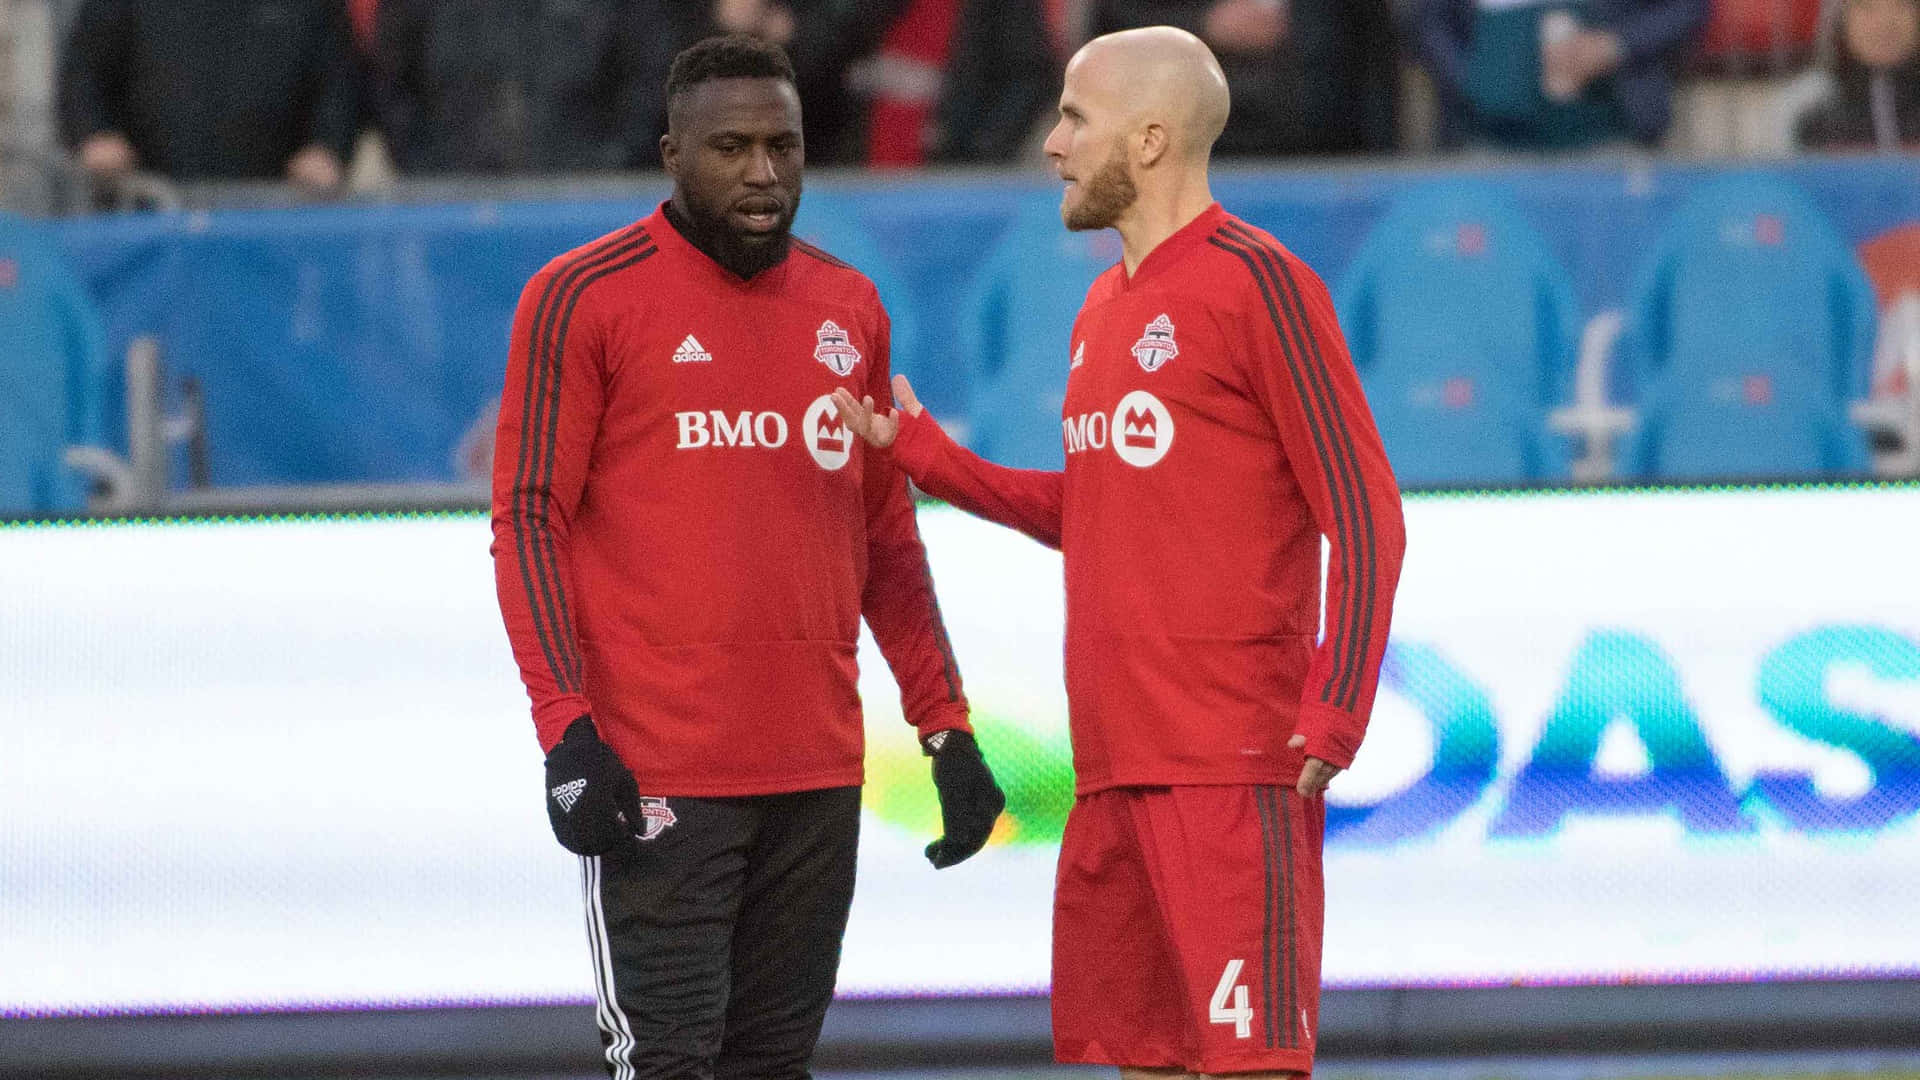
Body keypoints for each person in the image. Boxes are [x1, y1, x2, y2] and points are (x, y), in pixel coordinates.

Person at [835, 26, 1405, 1078]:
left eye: (1073, 118)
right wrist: (929, 460)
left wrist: (1338, 704)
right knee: (1135, 1062)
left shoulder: (1258, 284)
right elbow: (1101, 508)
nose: (1051, 144)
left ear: (1148, 140)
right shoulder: (1102, 307)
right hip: (1112, 773)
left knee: (1248, 1067)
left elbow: (1366, 511)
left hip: (1231, 768)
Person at [488, 35, 1005, 1080]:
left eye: (784, 145)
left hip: (816, 776)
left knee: (773, 1069)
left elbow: (884, 535)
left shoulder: (848, 308)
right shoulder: (581, 297)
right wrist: (567, 734)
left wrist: (945, 728)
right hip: (658, 775)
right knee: (669, 1067)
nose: (763, 173)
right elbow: (528, 520)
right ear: (672, 152)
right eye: (731, 148)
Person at [56, 0, 359, 189]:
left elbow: (339, 79)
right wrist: (95, 134)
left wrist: (328, 147)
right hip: (149, 204)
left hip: (271, 207)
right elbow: (83, 71)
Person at [371, 0, 675, 173]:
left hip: (587, 203)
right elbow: (392, 83)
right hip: (453, 204)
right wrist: (429, 170)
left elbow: (649, 81)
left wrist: (610, 165)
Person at [1089, 0, 1400, 156]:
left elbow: (1373, 57)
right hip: (1192, 160)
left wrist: (1381, 170)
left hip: (1328, 165)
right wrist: (1202, 25)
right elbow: (1112, 33)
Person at [1411, 0, 1709, 150]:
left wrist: (1617, 45)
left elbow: (1689, 6)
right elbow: (1427, 20)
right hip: (1486, 146)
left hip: (1611, 143)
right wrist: (1471, 80)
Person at [1793, 0, 1920, 153]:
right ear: (1840, 19)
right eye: (1867, 7)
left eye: (1902, 5)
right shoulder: (1806, 107)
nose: (1885, 21)